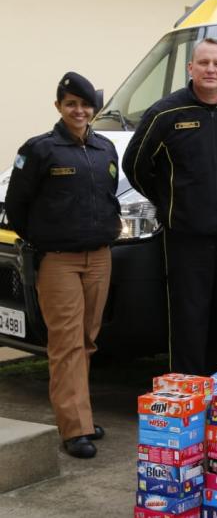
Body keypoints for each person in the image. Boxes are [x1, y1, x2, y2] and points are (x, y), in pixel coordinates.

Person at [123, 38, 217, 376]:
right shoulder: (165, 114)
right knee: (189, 320)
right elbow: (135, 166)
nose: (210, 69)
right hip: (186, 238)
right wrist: (169, 202)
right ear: (190, 68)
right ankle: (189, 398)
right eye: (203, 63)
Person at [6, 72, 121, 458]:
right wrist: (45, 238)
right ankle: (74, 430)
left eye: (85, 104)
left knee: (87, 341)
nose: (79, 110)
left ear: (94, 108)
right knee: (67, 343)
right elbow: (17, 205)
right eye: (71, 103)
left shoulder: (105, 148)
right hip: (59, 261)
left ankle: (81, 416)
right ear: (58, 107)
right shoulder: (39, 150)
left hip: (100, 258)